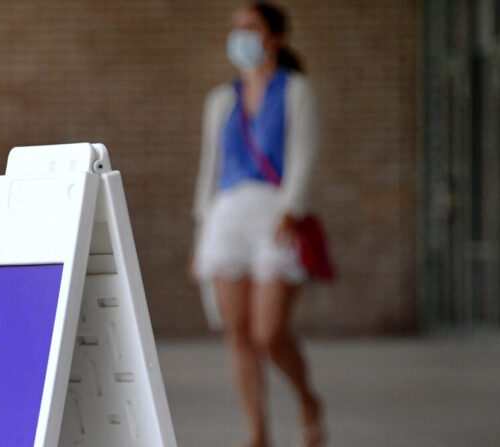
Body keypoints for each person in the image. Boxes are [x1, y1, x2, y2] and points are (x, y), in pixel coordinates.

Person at [189, 2, 325, 447]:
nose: (241, 35)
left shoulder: (296, 90)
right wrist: (202, 233)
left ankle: (307, 399)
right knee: (238, 334)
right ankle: (257, 432)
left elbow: (303, 154)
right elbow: (210, 168)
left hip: (275, 215)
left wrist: (292, 209)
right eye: (236, 28)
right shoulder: (221, 99)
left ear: (275, 37)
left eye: (250, 27)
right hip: (228, 216)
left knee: (269, 331)